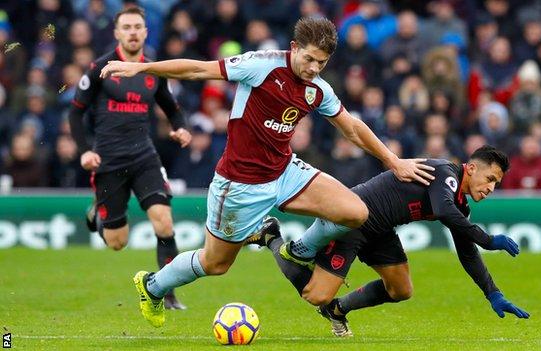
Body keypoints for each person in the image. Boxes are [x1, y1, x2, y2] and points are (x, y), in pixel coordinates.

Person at [99, 17, 434, 328]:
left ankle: (296, 250)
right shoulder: (261, 65)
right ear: (294, 48)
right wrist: (140, 68)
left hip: (285, 171)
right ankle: (152, 285)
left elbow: (352, 129)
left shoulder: (317, 88)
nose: (314, 68)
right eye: (309, 59)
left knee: (355, 211)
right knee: (216, 264)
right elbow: (197, 70)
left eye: (322, 63)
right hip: (239, 184)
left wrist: (394, 161)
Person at [247, 146, 529, 337]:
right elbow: (443, 210)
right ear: (470, 168)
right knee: (316, 295)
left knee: (401, 289)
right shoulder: (445, 173)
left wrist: (492, 293)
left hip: (380, 231)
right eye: (490, 178)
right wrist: (489, 240)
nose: (491, 188)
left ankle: (338, 309)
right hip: (354, 221)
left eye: (497, 184)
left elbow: (467, 253)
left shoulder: (460, 206)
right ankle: (273, 237)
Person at [68, 7, 192, 310]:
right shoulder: (100, 68)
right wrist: (85, 149)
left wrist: (181, 128)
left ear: (146, 32)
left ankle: (168, 292)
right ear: (117, 33)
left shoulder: (153, 72)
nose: (133, 31)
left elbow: (172, 107)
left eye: (138, 26)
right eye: (127, 27)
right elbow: (75, 112)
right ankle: (98, 214)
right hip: (108, 160)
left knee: (164, 222)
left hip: (144, 156)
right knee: (117, 243)